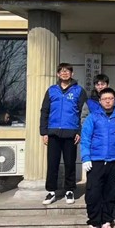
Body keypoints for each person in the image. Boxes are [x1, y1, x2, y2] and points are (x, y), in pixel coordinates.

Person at [79, 88, 115, 228]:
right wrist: (86, 158)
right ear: (99, 101)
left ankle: (106, 223)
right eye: (105, 98)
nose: (108, 101)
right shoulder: (93, 117)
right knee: (93, 193)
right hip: (96, 160)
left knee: (111, 193)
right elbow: (86, 138)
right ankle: (94, 224)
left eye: (110, 98)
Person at [40, 62, 87, 206]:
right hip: (53, 132)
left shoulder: (79, 91)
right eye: (62, 71)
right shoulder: (51, 90)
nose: (65, 73)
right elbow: (45, 111)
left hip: (71, 132)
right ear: (58, 74)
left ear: (72, 74)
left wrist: (79, 131)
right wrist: (44, 132)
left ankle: (69, 190)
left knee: (70, 163)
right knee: (52, 163)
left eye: (67, 71)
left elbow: (83, 113)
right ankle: (51, 191)